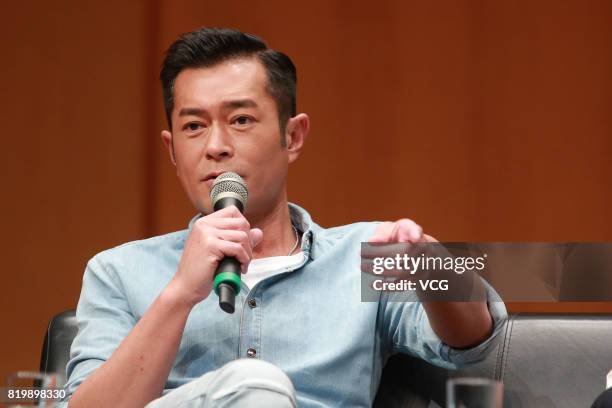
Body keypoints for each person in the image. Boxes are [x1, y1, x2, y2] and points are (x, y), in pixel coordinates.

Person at [63, 27, 507, 407]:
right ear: (172, 151)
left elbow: (476, 341)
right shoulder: (118, 272)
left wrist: (429, 262)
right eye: (194, 126)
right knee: (254, 387)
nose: (215, 145)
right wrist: (179, 294)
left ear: (291, 137)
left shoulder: (362, 257)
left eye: (239, 119)